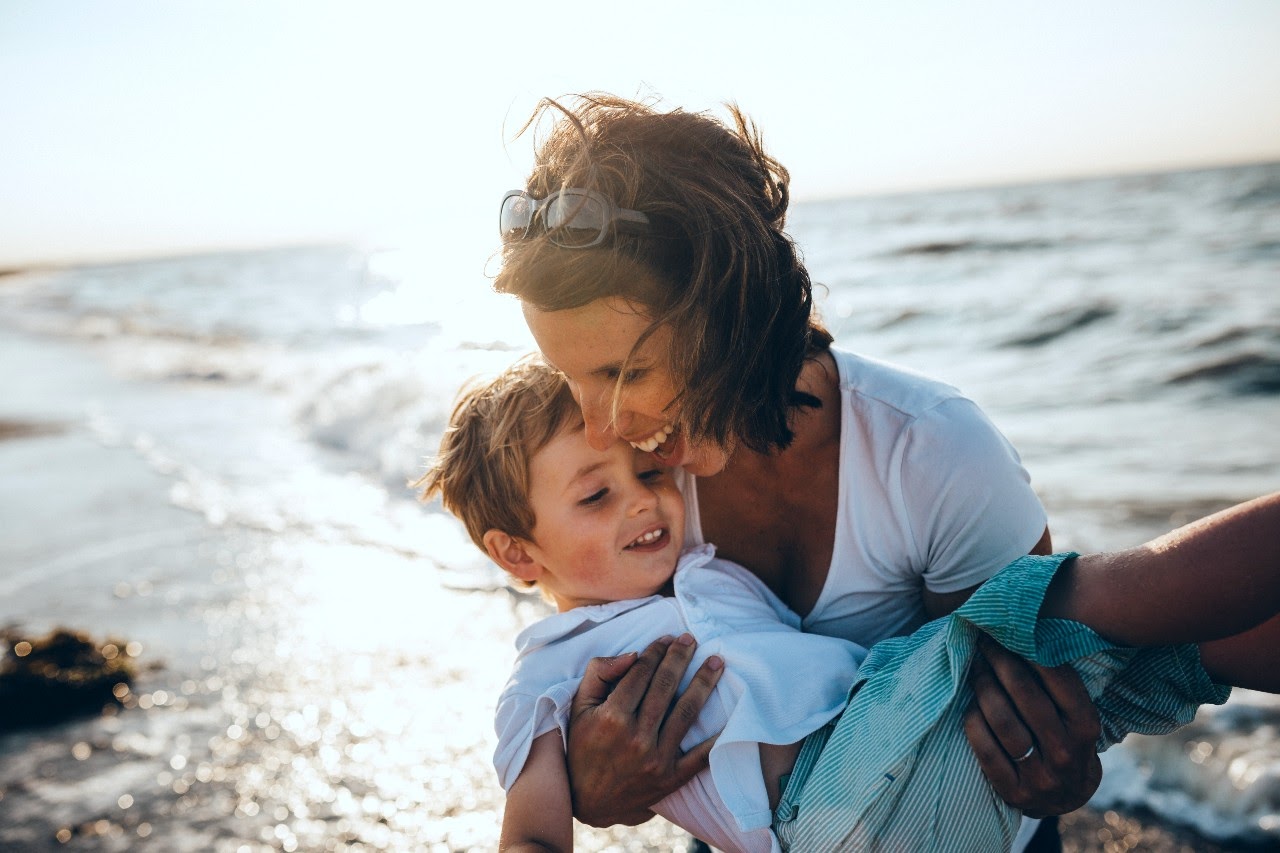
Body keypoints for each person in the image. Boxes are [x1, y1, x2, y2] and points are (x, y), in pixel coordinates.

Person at [492, 93, 1096, 848]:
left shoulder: (933, 455)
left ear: (730, 315)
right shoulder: (633, 482)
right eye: (568, 378)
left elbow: (1023, 723)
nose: (600, 426)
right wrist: (597, 784)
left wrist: (1058, 766)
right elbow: (608, 665)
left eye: (625, 372)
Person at [418, 357, 1280, 852]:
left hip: (923, 770)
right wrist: (586, 790)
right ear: (516, 553)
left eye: (646, 473)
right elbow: (531, 832)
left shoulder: (706, 569)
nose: (645, 500)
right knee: (1067, 605)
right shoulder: (552, 669)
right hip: (830, 807)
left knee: (1181, 652)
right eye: (595, 497)